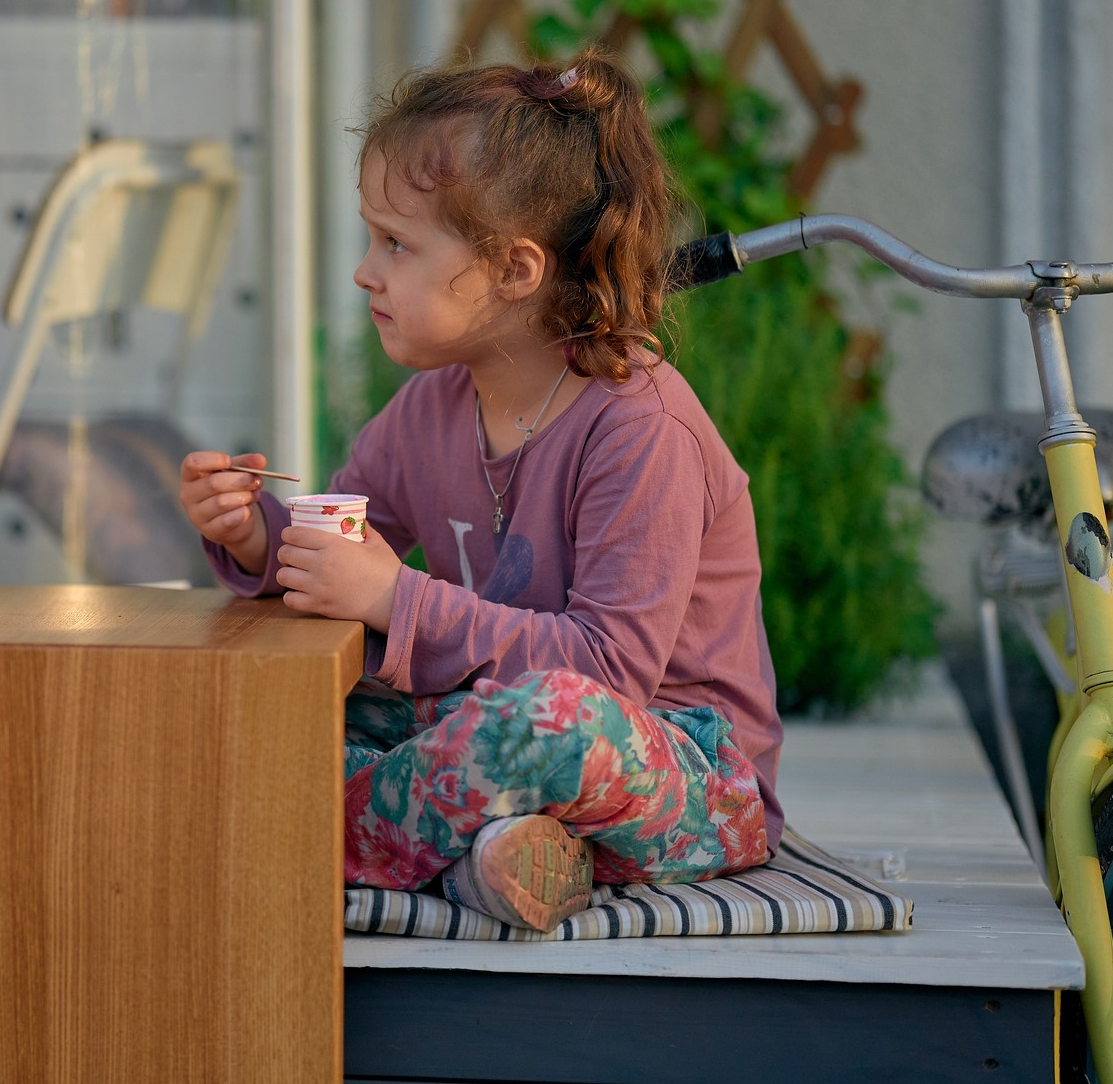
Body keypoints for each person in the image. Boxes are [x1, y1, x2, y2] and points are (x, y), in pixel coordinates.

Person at [180, 52, 780, 932]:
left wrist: (395, 596)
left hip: (685, 771)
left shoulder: (641, 425)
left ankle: (282, 841)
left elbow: (610, 675)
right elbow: (346, 538)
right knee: (296, 708)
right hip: (496, 736)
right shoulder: (431, 407)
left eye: (397, 243)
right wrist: (254, 536)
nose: (365, 271)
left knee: (549, 719)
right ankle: (495, 860)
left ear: (515, 271)